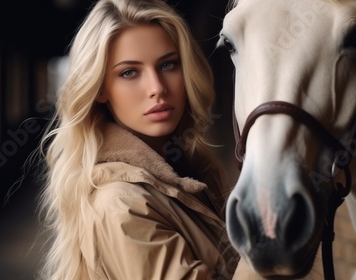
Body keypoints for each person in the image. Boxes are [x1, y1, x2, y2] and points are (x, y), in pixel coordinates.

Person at [38, 0, 260, 279]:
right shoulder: (122, 203)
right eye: (129, 72)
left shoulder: (195, 170)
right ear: (100, 89)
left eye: (168, 64)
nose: (157, 88)